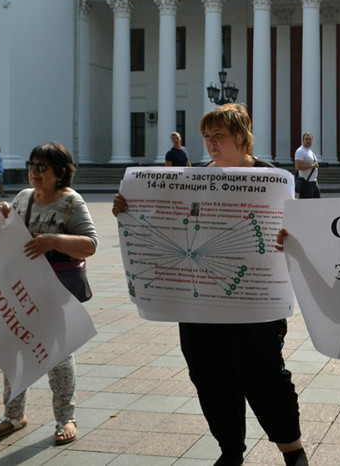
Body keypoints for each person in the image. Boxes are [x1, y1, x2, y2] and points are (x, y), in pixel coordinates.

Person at [113, 104, 309, 466]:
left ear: (241, 135)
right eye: (206, 137)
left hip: (255, 307)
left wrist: (291, 237)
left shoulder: (272, 178)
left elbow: (301, 232)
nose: (211, 143)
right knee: (209, 376)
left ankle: (291, 450)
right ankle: (230, 450)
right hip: (199, 304)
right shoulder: (195, 177)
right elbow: (167, 222)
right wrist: (129, 206)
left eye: (218, 136)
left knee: (265, 376)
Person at [0, 141, 98, 447]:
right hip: (20, 287)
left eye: (41, 167)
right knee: (14, 349)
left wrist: (54, 240)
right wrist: (1, 216)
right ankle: (13, 415)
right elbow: (9, 236)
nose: (33, 172)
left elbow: (90, 244)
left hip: (56, 289)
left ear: (60, 172)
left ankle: (65, 419)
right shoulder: (22, 197)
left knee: (58, 355)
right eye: (31, 166)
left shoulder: (71, 202)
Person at [294, 132, 321, 198]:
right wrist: (312, 166)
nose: (308, 141)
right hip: (306, 183)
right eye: (306, 139)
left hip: (314, 182)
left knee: (317, 204)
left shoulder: (310, 151)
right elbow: (298, 167)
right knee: (306, 205)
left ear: (312, 140)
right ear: (303, 140)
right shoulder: (300, 151)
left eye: (310, 139)